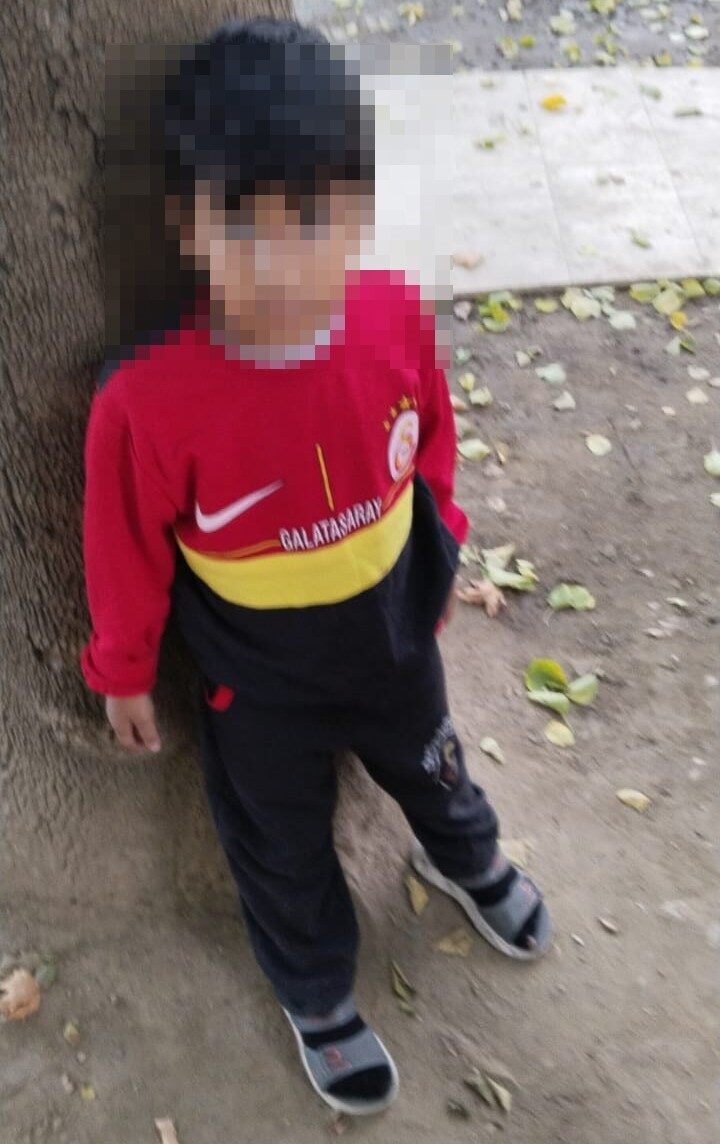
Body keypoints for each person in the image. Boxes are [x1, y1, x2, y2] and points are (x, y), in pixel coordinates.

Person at [80, 17, 552, 1118]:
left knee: (435, 762)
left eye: (315, 220)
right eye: (242, 226)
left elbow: (430, 443)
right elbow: (122, 545)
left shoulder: (393, 313)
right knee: (281, 841)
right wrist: (123, 670)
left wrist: (439, 551)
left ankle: (465, 859)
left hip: (396, 637)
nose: (282, 261)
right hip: (259, 688)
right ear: (185, 225)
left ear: (361, 212)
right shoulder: (146, 401)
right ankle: (316, 991)